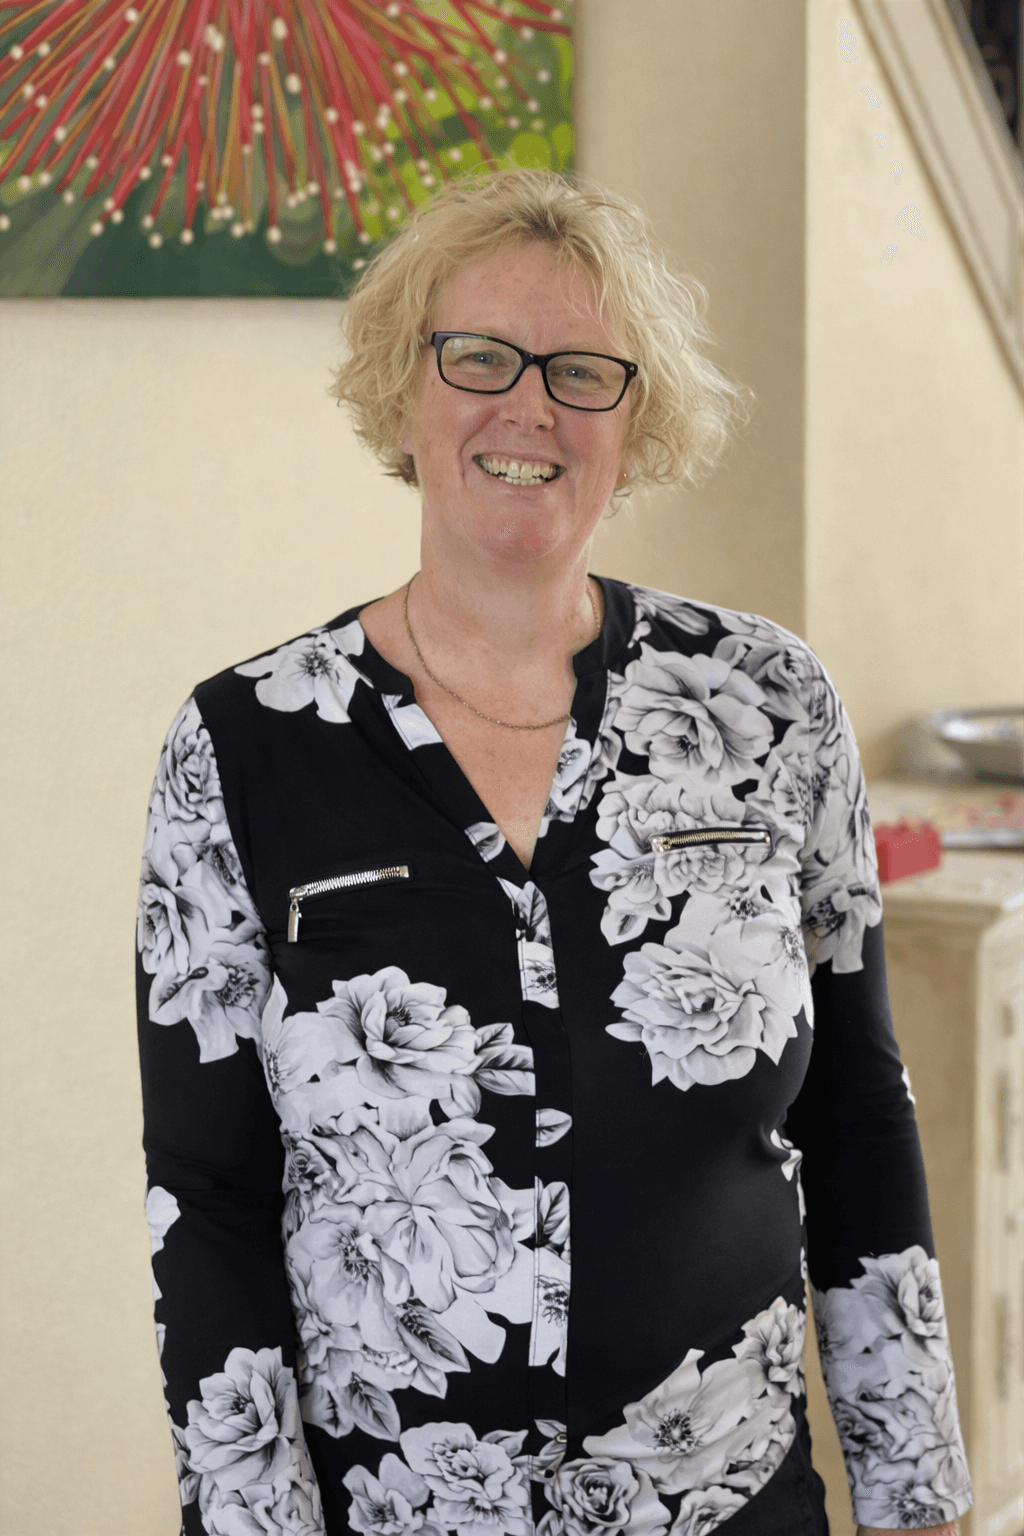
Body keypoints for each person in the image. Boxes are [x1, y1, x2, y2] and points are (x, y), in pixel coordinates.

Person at [136, 167, 972, 1536]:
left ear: (638, 420)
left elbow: (861, 1118)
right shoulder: (240, 743)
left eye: (584, 372)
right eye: (479, 357)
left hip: (730, 1505)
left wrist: (916, 1492)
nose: (527, 405)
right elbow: (207, 1196)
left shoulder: (769, 706)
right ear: (404, 392)